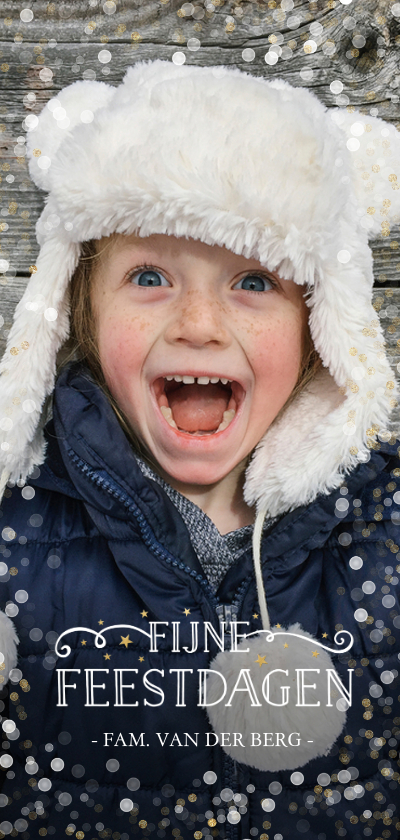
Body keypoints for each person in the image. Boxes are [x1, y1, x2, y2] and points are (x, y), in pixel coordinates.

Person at [0, 60, 399, 840]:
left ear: (321, 331)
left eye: (253, 282)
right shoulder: (14, 540)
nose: (200, 325)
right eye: (150, 275)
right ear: (78, 312)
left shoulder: (386, 536)